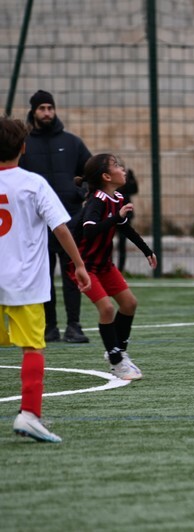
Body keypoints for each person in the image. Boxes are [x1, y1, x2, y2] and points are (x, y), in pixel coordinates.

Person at [0, 117, 91, 442]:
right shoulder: (33, 183)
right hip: (24, 284)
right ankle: (29, 415)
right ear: (23, 148)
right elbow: (61, 228)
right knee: (33, 347)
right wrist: (78, 264)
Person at [69, 154, 157, 380]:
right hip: (83, 266)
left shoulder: (117, 198)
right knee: (107, 309)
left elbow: (125, 228)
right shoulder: (96, 200)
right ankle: (116, 360)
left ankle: (119, 351)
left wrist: (147, 250)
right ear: (106, 176)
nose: (123, 169)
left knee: (129, 304)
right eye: (117, 166)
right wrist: (116, 217)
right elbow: (89, 230)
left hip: (104, 265)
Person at [18, 90, 92, 344]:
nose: (47, 112)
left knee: (73, 274)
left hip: (70, 219)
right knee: (43, 277)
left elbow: (91, 171)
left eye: (50, 107)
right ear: (33, 111)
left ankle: (74, 326)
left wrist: (80, 192)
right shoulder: (24, 144)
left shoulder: (72, 143)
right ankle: (49, 326)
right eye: (42, 108)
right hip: (37, 224)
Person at [116, 168, 139, 273]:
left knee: (122, 242)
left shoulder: (126, 180)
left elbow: (134, 190)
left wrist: (131, 179)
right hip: (112, 215)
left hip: (125, 216)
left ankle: (120, 269)